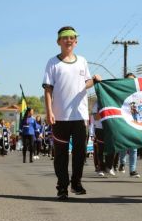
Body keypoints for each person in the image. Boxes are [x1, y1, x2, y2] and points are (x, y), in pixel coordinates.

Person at [42, 26, 101, 200]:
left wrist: (94, 80)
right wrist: (49, 111)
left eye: (72, 37)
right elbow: (48, 90)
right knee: (60, 155)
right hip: (60, 116)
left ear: (76, 41)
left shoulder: (82, 61)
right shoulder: (52, 63)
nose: (68, 40)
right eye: (64, 37)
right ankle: (62, 187)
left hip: (80, 116)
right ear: (58, 41)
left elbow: (86, 83)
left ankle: (76, 182)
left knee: (80, 153)